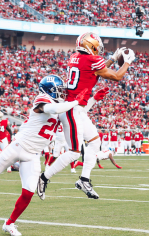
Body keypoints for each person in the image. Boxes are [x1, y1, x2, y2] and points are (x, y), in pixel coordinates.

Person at [0, 75, 91, 235]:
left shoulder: (63, 108)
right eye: (59, 90)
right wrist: (75, 101)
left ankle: (9, 224)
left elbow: (77, 112)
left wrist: (90, 98)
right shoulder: (43, 99)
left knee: (28, 192)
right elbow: (52, 109)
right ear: (50, 90)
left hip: (34, 154)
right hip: (18, 145)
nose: (62, 93)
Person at [37, 32, 135, 200]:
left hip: (76, 109)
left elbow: (96, 71)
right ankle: (43, 178)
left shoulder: (76, 57)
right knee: (74, 152)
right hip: (72, 110)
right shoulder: (91, 60)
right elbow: (117, 76)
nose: (99, 50)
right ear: (91, 45)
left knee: (95, 141)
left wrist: (112, 57)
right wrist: (127, 62)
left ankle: (84, 180)